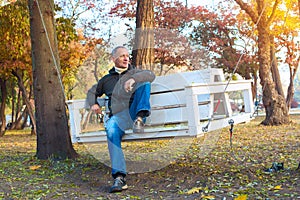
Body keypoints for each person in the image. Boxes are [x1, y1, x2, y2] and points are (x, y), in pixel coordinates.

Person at [90, 46, 155, 193]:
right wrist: (93, 102)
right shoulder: (106, 80)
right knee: (111, 128)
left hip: (134, 113)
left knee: (145, 82)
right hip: (119, 116)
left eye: (127, 56)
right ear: (113, 59)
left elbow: (150, 74)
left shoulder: (135, 72)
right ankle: (119, 177)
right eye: (121, 56)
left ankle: (140, 118)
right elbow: (92, 92)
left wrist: (132, 78)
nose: (126, 59)